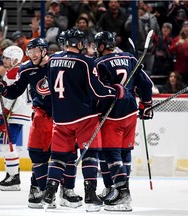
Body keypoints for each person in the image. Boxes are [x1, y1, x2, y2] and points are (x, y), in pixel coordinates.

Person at [0, 38, 82, 209]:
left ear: (44, 50)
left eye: (35, 51)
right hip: (41, 116)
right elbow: (15, 90)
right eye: (29, 52)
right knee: (38, 154)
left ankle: (67, 190)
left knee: (69, 155)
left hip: (63, 116)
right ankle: (40, 190)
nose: (32, 55)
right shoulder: (26, 69)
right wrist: (2, 89)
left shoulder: (59, 63)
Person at [43, 28, 126, 212]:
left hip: (60, 118)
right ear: (79, 43)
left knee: (58, 157)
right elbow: (96, 91)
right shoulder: (85, 61)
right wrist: (115, 91)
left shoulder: (53, 59)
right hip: (84, 117)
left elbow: (47, 88)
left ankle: (49, 194)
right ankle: (90, 195)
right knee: (90, 155)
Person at [94, 31, 154, 211]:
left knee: (109, 153)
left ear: (103, 45)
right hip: (130, 111)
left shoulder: (99, 63)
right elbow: (146, 84)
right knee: (125, 151)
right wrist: (146, 104)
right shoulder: (129, 58)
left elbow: (99, 89)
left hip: (112, 113)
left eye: (97, 45)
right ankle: (113, 189)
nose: (96, 48)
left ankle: (121, 193)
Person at [0, 45, 32, 191]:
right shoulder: (14, 71)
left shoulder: (15, 71)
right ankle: (11, 174)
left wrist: (4, 112)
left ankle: (14, 178)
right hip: (16, 112)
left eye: (7, 58)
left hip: (14, 113)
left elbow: (13, 95)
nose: (4, 60)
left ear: (15, 60)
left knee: (7, 145)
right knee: (7, 144)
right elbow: (6, 91)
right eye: (3, 57)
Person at [168, 20, 188, 85]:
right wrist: (177, 44)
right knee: (180, 84)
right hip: (180, 67)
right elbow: (170, 50)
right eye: (185, 27)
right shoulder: (177, 39)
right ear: (182, 28)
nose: (186, 29)